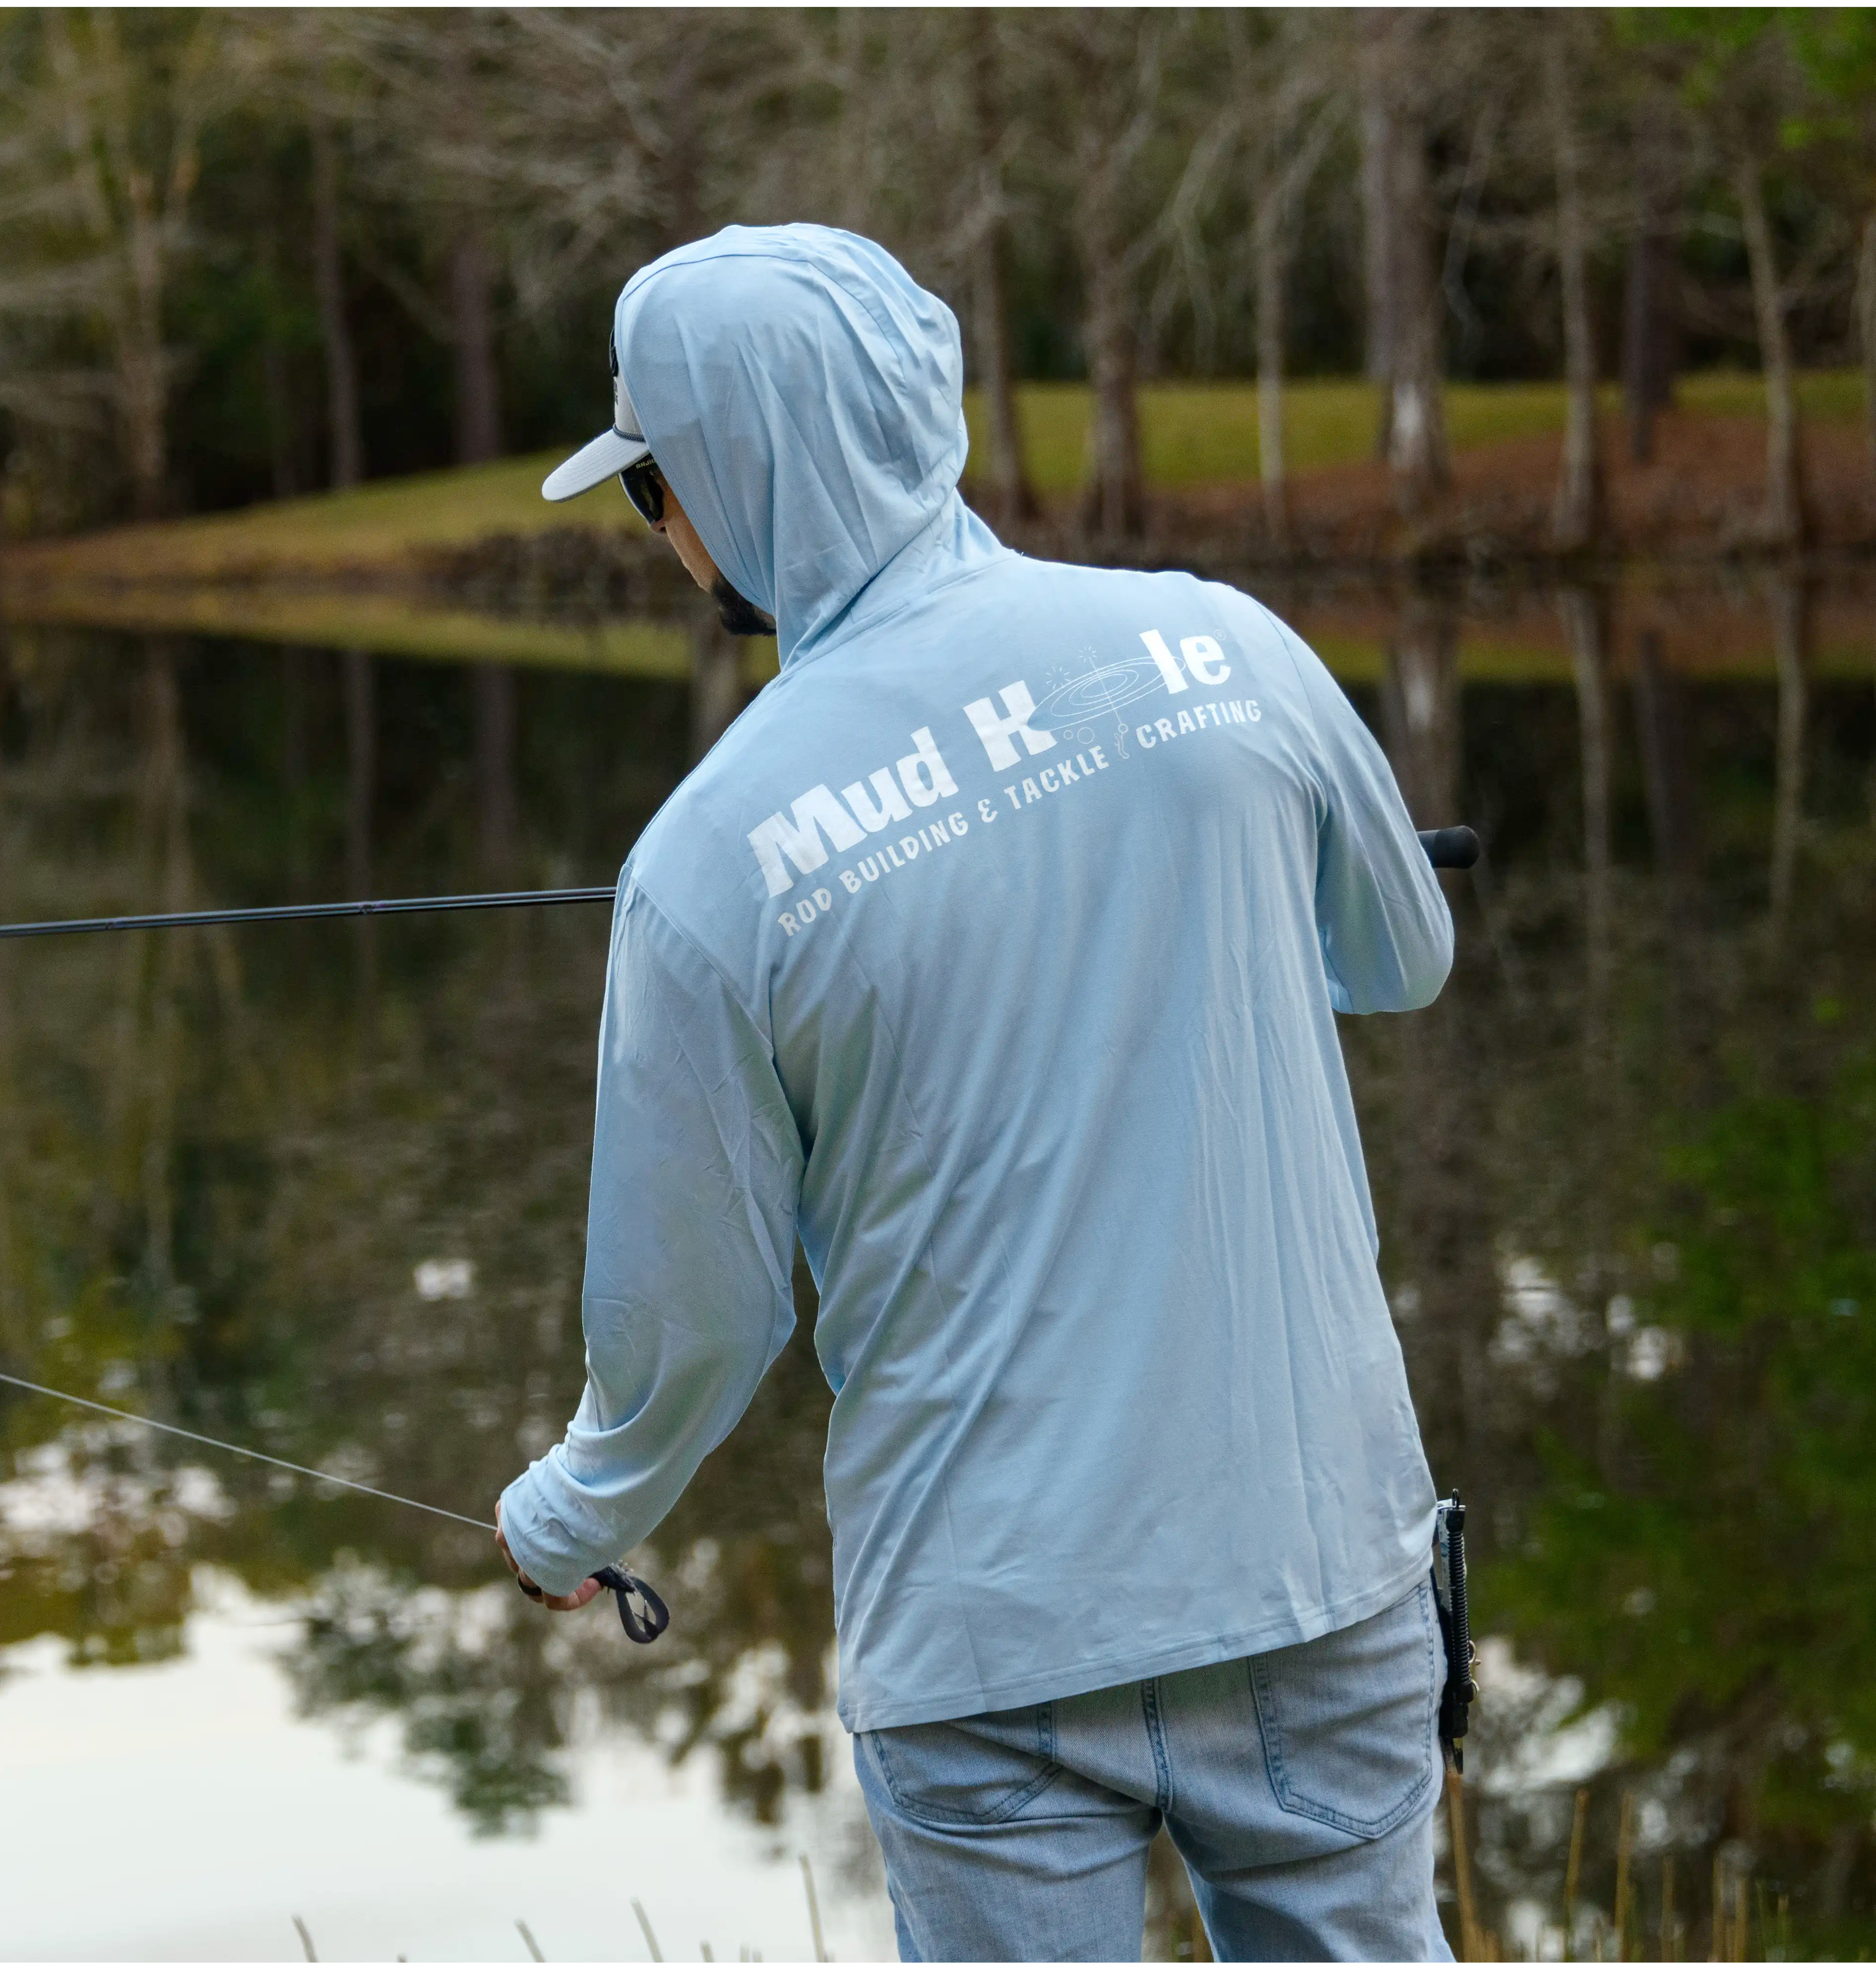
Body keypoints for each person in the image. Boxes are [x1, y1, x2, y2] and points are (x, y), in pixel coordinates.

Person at [494, 223, 1457, 1965]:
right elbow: (1404, 957)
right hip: (1324, 1578)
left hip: (990, 1652)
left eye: (653, 490)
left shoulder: (710, 860)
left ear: (724, 476)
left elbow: (694, 1320)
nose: (662, 533)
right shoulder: (1222, 644)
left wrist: (578, 1513)